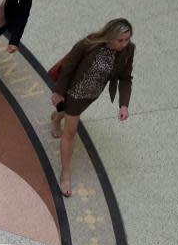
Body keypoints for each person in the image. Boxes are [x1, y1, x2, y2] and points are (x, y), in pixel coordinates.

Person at [50, 18, 134, 197]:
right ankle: (65, 174)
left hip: (92, 94)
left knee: (69, 114)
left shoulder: (128, 50)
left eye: (127, 39)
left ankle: (56, 117)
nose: (124, 44)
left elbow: (126, 77)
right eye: (120, 40)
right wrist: (58, 93)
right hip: (74, 91)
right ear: (110, 36)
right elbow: (68, 67)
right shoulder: (88, 44)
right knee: (70, 132)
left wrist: (124, 104)